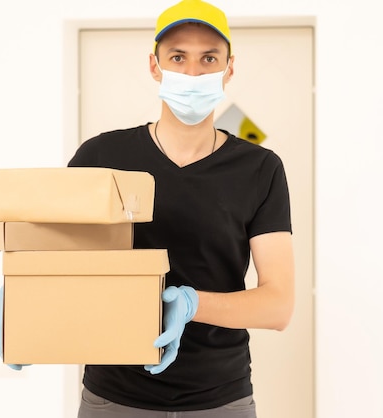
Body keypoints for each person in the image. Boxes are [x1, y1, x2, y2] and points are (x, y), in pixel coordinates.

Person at [67, 0, 295, 416]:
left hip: (221, 399)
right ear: (155, 66)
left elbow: (278, 305)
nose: (193, 73)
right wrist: (22, 300)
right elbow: (60, 264)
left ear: (229, 68)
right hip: (113, 397)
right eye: (178, 57)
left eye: (209, 58)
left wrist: (191, 304)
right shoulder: (100, 156)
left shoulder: (260, 168)